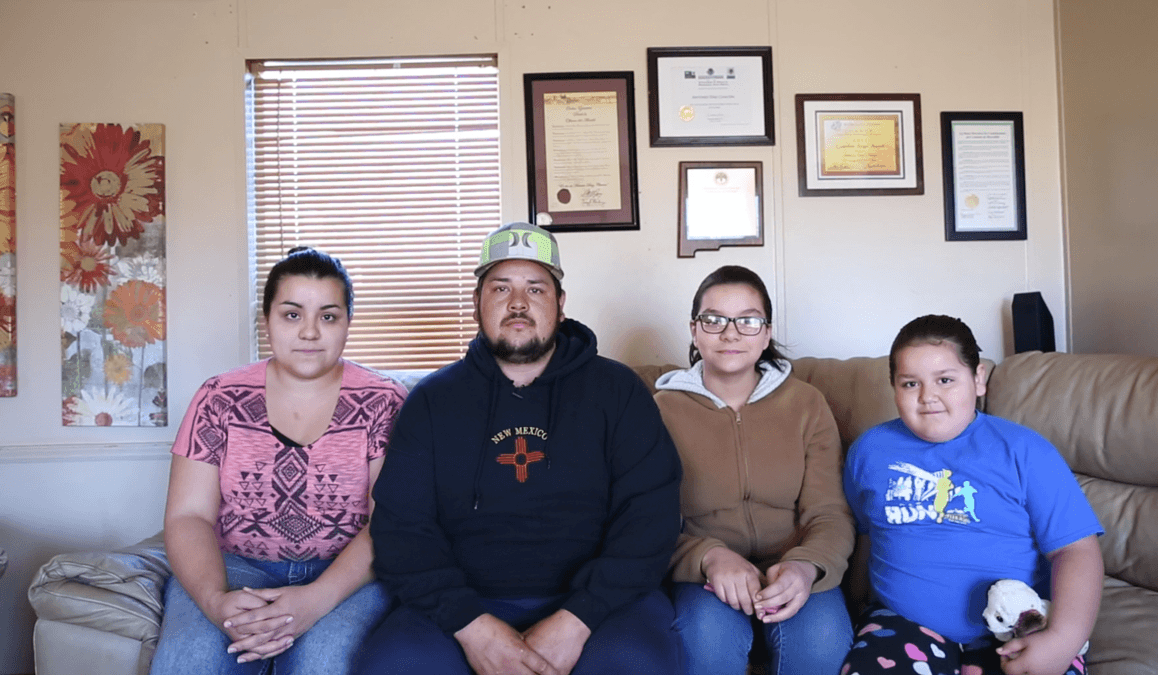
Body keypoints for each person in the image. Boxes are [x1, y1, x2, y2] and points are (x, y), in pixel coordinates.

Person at [356, 222, 683, 675]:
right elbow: (400, 529)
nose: (518, 303)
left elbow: (652, 517)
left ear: (560, 305)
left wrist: (578, 619)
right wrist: (471, 626)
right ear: (476, 304)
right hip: (462, 605)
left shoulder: (619, 391)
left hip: (603, 604)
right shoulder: (432, 400)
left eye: (536, 288)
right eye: (500, 288)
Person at [151, 248, 407, 674]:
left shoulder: (385, 401)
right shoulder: (219, 399)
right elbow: (187, 516)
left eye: (328, 316)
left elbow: (388, 524)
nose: (309, 332)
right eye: (292, 315)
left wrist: (314, 601)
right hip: (234, 566)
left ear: (348, 322)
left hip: (347, 574)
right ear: (266, 318)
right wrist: (216, 601)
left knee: (326, 663)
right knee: (190, 662)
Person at [841, 314, 1104, 675]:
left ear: (978, 379)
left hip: (1016, 625)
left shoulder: (1025, 451)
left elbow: (1076, 550)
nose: (927, 397)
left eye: (945, 380)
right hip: (903, 623)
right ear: (894, 387)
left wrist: (1063, 637)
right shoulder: (868, 451)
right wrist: (853, 611)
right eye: (909, 384)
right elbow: (866, 538)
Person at [654, 265, 855, 675]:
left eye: (747, 320)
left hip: (795, 569)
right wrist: (707, 557)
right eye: (713, 320)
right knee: (704, 643)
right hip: (706, 577)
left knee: (821, 644)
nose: (730, 333)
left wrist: (806, 565)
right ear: (694, 331)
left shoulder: (807, 404)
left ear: (765, 334)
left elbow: (831, 512)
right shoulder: (659, 411)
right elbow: (646, 522)